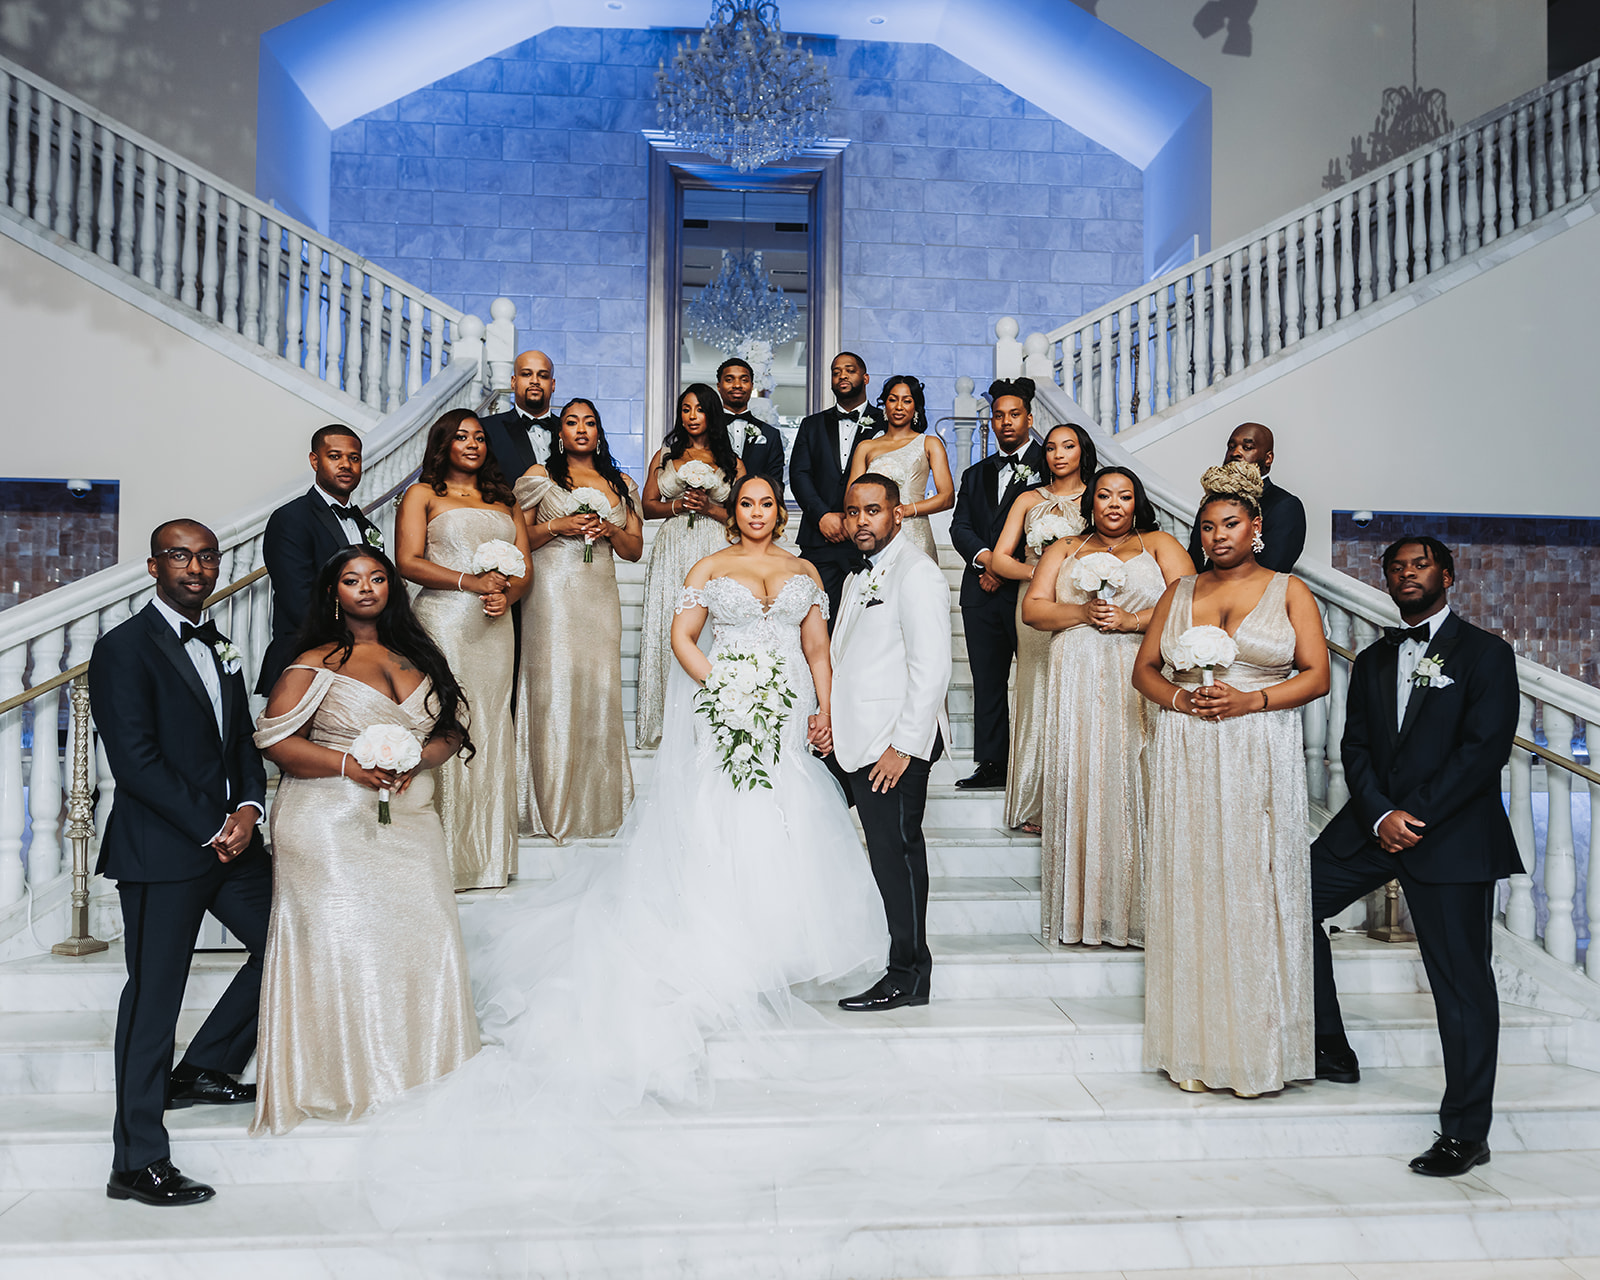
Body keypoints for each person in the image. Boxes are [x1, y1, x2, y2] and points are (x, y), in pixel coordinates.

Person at [1310, 535, 1520, 1177]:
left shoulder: (1486, 654)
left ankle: (1465, 1134)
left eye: (1419, 564)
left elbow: (1484, 751)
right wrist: (1378, 813)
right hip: (1370, 829)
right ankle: (1329, 1048)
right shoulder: (1373, 660)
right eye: (1395, 567)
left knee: (1462, 988)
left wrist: (1415, 816)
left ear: (1447, 576)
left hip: (1450, 837)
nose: (1406, 574)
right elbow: (1355, 748)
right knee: (1285, 902)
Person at [252, 547, 480, 1134]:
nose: (367, 589)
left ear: (391, 589)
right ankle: (343, 1078)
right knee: (345, 943)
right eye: (352, 581)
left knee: (422, 936)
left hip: (410, 817)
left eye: (377, 578)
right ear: (334, 592)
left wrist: (417, 757)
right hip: (329, 823)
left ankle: (421, 1069)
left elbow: (450, 731)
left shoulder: (418, 654)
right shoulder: (313, 661)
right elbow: (276, 742)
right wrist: (350, 765)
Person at [1132, 462, 1330, 1097]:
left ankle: (1258, 1050)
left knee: (1255, 882)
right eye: (1207, 526)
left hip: (1259, 746)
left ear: (1257, 528)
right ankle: (1193, 1045)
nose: (1217, 536)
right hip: (1188, 747)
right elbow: (1145, 670)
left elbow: (1316, 675)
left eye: (1230, 524)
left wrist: (1254, 702)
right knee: (1193, 882)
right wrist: (1179, 701)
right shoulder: (1179, 593)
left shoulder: (1290, 591)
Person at [89, 519, 271, 1206]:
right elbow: (135, 763)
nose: (196, 569)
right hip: (164, 849)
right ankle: (135, 1161)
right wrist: (211, 825)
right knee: (153, 1002)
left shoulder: (221, 642)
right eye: (180, 557)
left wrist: (249, 809)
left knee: (290, 937)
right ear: (153, 566)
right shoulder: (122, 649)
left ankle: (203, 1067)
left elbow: (240, 745)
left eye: (206, 557)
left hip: (233, 843)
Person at [1024, 467, 1191, 947]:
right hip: (1075, 676)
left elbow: (1189, 604)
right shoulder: (1064, 549)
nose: (1114, 504)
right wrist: (1083, 613)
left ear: (1136, 502)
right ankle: (1082, 914)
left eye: (1124, 496)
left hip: (1136, 672)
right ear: (1089, 502)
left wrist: (1133, 619)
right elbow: (1033, 609)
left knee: (1136, 777)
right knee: (1081, 778)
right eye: (1104, 495)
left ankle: (1142, 912)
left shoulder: (1159, 544)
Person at [831, 474, 954, 1011]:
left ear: (897, 516)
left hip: (893, 745)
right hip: (855, 737)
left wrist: (903, 746)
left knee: (897, 856)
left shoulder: (917, 573)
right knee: (879, 855)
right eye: (854, 512)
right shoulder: (859, 576)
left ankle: (907, 975)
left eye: (873, 511)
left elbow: (932, 669)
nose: (862, 521)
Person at [396, 409, 530, 890]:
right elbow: (407, 562)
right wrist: (468, 582)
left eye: (478, 437)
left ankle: (489, 855)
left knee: (493, 722)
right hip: (445, 623)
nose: (472, 444)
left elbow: (525, 571)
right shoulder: (422, 494)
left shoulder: (505, 499)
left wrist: (505, 595)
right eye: (461, 437)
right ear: (442, 444)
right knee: (449, 719)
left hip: (495, 627)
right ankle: (444, 856)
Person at [514, 399, 643, 843]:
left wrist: (610, 531)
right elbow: (519, 540)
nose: (581, 429)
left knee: (600, 687)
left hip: (599, 595)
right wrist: (559, 526)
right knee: (554, 689)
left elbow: (633, 550)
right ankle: (551, 805)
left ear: (600, 432)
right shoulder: (540, 477)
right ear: (560, 431)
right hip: (552, 595)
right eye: (571, 422)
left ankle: (598, 805)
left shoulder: (621, 483)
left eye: (590, 422)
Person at [989, 423, 1096, 833]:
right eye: (1050, 448)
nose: (1058, 454)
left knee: (1080, 695)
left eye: (1068, 446)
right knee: (1036, 692)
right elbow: (1000, 559)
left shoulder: (1099, 496)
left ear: (1081, 450)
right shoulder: (1027, 499)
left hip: (1083, 603)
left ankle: (1080, 802)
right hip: (1034, 603)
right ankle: (1037, 804)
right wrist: (1040, 572)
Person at [948, 378, 1047, 790]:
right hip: (980, 592)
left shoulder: (1051, 465)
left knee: (1037, 680)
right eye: (999, 415)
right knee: (987, 680)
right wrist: (987, 561)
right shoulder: (975, 473)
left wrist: (1005, 568)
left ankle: (1038, 764)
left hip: (1029, 592)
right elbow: (960, 527)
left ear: (1029, 417)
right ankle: (992, 764)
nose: (1006, 422)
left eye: (1014, 414)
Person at [635, 383, 743, 749]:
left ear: (712, 413)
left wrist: (709, 509)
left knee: (711, 627)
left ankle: (712, 714)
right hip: (673, 544)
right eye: (685, 409)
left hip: (715, 545)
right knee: (670, 619)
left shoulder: (732, 461)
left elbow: (740, 513)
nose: (692, 416)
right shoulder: (666, 455)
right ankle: (665, 718)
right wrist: (678, 507)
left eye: (699, 409)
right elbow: (648, 505)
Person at [257, 425, 381, 695]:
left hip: (361, 664)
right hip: (306, 660)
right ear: (315, 461)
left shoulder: (366, 526)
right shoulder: (291, 518)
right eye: (335, 456)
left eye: (354, 458)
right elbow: (298, 600)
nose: (346, 465)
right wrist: (353, 645)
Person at [790, 351, 882, 624]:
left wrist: (853, 517)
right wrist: (822, 516)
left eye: (850, 370)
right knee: (817, 620)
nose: (842, 375)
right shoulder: (811, 425)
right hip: (820, 539)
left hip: (870, 540)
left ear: (865, 378)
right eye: (836, 371)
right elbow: (799, 474)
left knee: (868, 621)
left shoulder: (885, 423)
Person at [846, 374, 955, 561]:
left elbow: (947, 498)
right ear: (885, 405)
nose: (898, 407)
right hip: (875, 532)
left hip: (915, 533)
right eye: (893, 399)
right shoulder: (866, 447)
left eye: (907, 401)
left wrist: (905, 510)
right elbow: (851, 497)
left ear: (916, 407)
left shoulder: (930, 444)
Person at [1186, 422, 1305, 573]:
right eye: (1231, 447)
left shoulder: (1285, 505)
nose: (1235, 453)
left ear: (1268, 458)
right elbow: (1194, 558)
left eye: (1247, 448)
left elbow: (1272, 567)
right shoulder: (1211, 501)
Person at [478, 349, 558, 486]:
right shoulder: (487, 428)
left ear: (553, 385)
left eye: (543, 376)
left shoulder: (570, 429)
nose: (535, 381)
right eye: (526, 374)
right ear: (513, 382)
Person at [717, 356, 786, 502]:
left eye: (744, 380)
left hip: (755, 515)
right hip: (711, 515)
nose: (737, 385)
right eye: (729, 380)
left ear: (752, 385)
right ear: (719, 386)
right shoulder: (706, 431)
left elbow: (776, 485)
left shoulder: (770, 435)